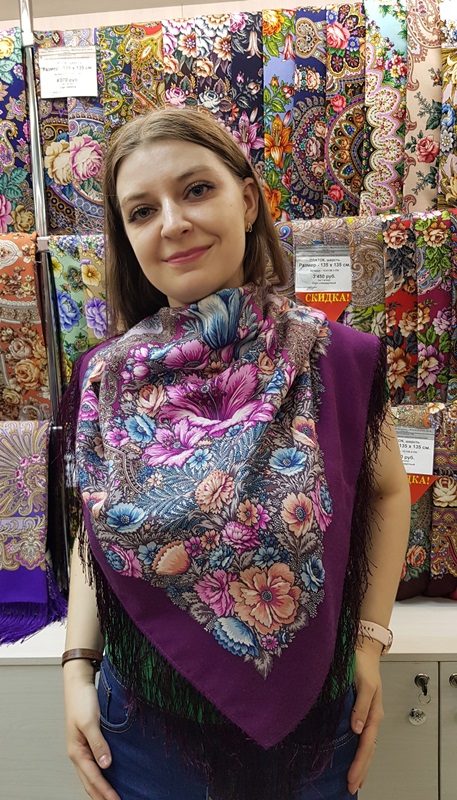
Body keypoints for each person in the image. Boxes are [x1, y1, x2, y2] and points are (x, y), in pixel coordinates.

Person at [62, 107, 410, 800]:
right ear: (127, 236)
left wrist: (370, 642)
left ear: (247, 200)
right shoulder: (103, 378)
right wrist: (76, 667)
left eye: (196, 190)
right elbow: (92, 529)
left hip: (312, 731)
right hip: (146, 728)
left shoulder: (332, 357)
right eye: (141, 211)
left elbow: (387, 490)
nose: (172, 223)